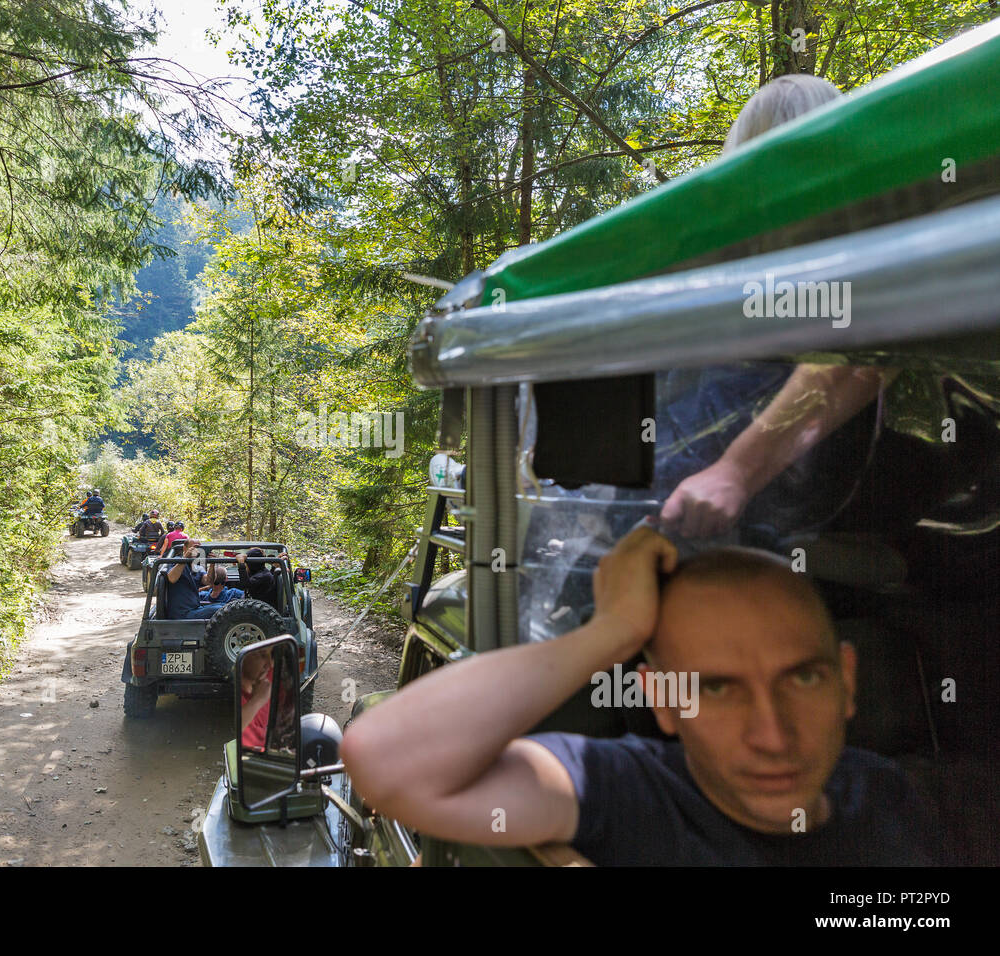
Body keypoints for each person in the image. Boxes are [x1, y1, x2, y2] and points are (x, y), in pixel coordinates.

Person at [340, 525, 938, 865]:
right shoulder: (628, 792)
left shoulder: (890, 793)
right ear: (663, 701)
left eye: (803, 678)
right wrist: (612, 632)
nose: (772, 735)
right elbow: (384, 757)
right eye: (718, 688)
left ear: (848, 682)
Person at [657, 74, 898, 538]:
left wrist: (735, 472)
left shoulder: (862, 254)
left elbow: (861, 356)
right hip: (682, 503)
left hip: (763, 520)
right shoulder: (744, 271)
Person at [239, 646, 273, 751]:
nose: (269, 664)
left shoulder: (263, 686)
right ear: (244, 657)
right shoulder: (258, 697)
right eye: (262, 655)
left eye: (270, 657)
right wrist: (258, 700)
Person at [160, 542, 205, 620]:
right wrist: (185, 557)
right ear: (185, 548)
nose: (195, 550)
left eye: (197, 548)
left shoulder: (197, 567)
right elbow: (172, 578)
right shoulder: (177, 561)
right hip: (182, 613)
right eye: (193, 547)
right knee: (218, 609)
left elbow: (208, 581)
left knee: (221, 606)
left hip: (195, 609)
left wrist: (212, 564)